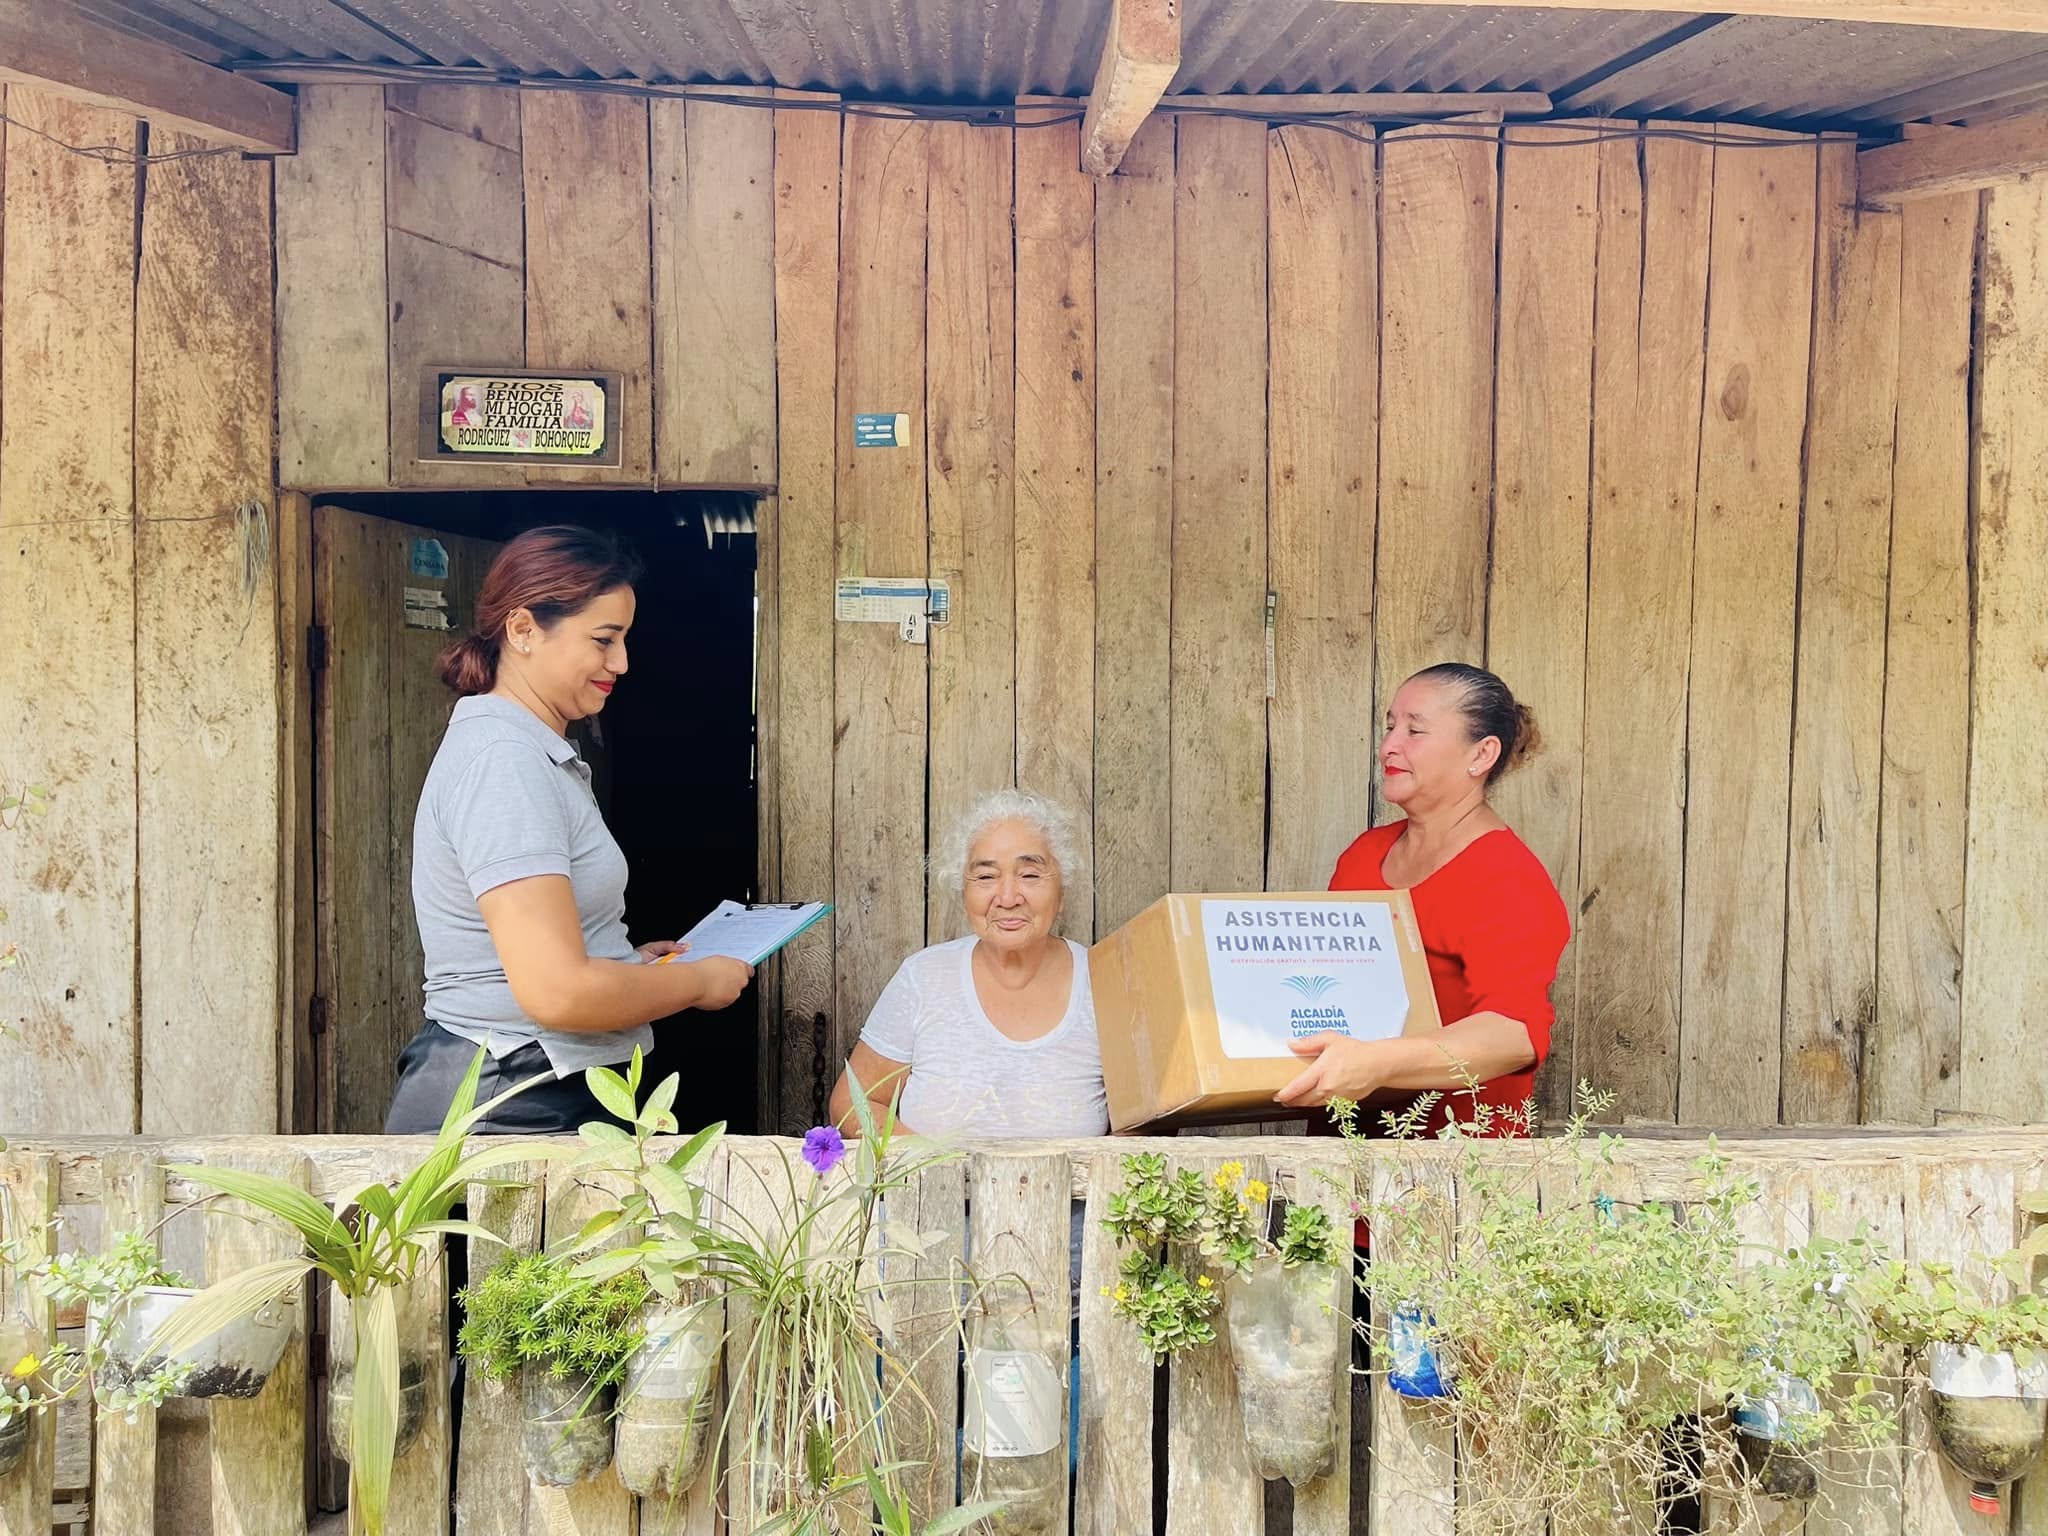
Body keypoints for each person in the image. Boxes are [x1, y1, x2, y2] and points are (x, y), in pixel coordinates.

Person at [384, 525, 753, 1135]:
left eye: (624, 639)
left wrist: (626, 964)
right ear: (523, 629)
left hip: (535, 1081)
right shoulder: (504, 761)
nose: (622, 662)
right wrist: (696, 983)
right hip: (512, 1092)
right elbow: (556, 992)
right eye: (603, 640)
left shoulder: (530, 750)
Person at [1277, 662, 1570, 1135]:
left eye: (1415, 731)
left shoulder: (1507, 877)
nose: (1389, 746)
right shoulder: (1364, 855)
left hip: (1453, 1163)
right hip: (1341, 1154)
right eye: (1390, 726)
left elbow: (1513, 1035)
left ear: (1481, 754)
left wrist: (1377, 1063)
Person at [828, 789, 1103, 1139]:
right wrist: (932, 1162)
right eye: (986, 877)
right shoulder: (923, 978)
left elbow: (1143, 1124)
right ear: (964, 893)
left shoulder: (1104, 982)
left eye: (1030, 875)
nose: (1007, 898)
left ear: (1061, 893)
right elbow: (852, 1103)